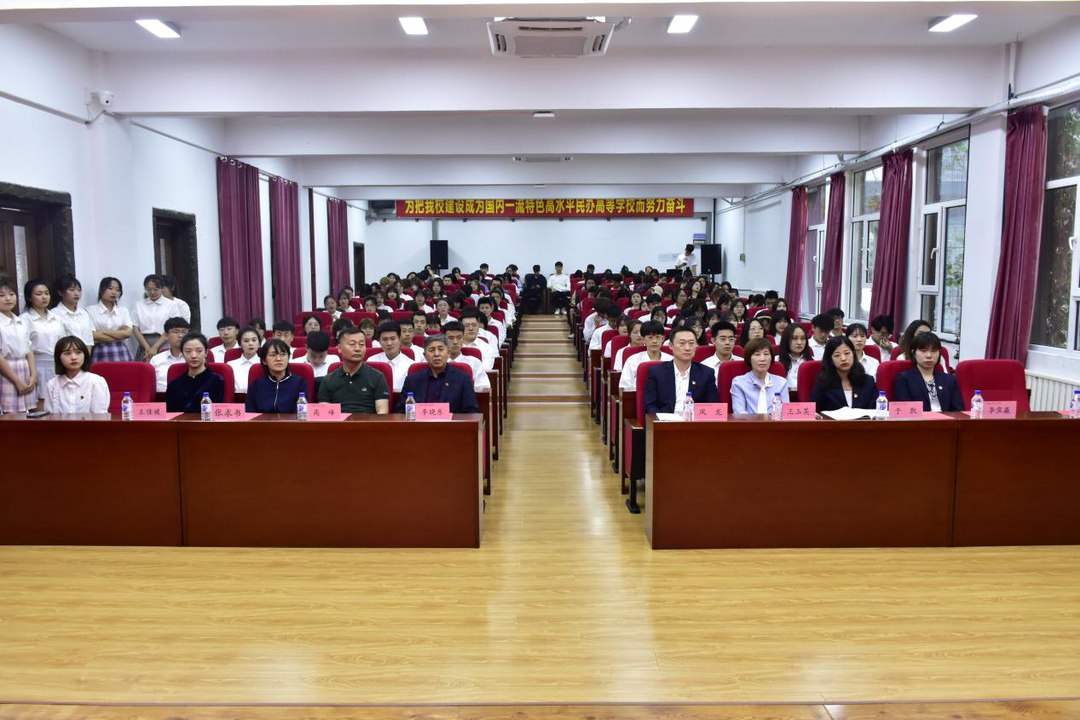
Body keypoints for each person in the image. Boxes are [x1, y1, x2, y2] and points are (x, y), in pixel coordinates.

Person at [395, 333, 480, 414]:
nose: (436, 354)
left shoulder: (462, 379)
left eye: (441, 349)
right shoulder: (412, 380)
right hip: (420, 424)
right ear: (425, 356)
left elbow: (472, 411)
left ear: (448, 353)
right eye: (431, 350)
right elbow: (401, 412)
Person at [642, 326, 718, 415]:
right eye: (682, 343)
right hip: (665, 421)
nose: (687, 348)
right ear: (671, 346)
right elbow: (649, 406)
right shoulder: (656, 372)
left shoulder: (706, 373)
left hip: (695, 421)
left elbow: (713, 406)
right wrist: (664, 420)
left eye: (691, 343)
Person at [318, 327, 389, 414]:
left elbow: (382, 412)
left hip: (368, 422)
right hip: (338, 422)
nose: (357, 349)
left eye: (362, 344)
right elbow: (324, 415)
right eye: (352, 344)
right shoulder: (328, 380)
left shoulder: (377, 377)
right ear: (339, 348)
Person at [893, 332, 964, 412]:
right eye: (923, 351)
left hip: (946, 419)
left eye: (934, 351)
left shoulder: (950, 380)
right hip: (918, 419)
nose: (929, 356)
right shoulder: (904, 379)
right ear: (913, 353)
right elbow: (904, 411)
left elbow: (958, 411)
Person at [22, 279, 63, 408]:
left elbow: (62, 341)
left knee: (59, 400)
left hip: (57, 363)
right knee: (42, 402)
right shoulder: (24, 319)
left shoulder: (56, 318)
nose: (44, 297)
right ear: (29, 297)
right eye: (39, 294)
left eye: (46, 293)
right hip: (37, 365)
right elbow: (25, 347)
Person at [809, 336, 878, 412]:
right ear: (830, 359)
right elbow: (812, 411)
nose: (843, 358)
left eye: (847, 353)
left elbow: (876, 411)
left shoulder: (868, 381)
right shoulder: (823, 383)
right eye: (837, 355)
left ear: (853, 354)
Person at [43, 335, 110, 414]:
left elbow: (100, 416)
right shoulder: (52, 385)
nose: (74, 357)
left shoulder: (96, 382)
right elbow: (49, 417)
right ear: (58, 357)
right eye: (67, 353)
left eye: (78, 352)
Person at [0, 277, 37, 412]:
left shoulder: (20, 321)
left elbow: (29, 349)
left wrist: (33, 374)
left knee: (27, 413)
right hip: (6, 371)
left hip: (24, 368)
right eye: (2, 295)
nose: (8, 298)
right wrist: (16, 380)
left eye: (12, 294)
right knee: (9, 413)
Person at [165, 332, 225, 413]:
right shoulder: (174, 385)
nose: (193, 356)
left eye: (199, 351)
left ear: (206, 353)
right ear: (182, 354)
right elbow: (169, 414)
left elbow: (218, 413)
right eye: (188, 351)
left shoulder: (216, 381)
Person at [730, 337, 790, 414]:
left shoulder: (781, 382)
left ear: (771, 358)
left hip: (775, 421)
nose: (762, 359)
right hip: (747, 421)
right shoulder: (739, 383)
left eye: (766, 354)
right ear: (749, 358)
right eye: (757, 354)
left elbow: (785, 412)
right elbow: (739, 412)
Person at [245, 339, 306, 414]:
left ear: (288, 358)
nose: (278, 359)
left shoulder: (299, 383)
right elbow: (249, 414)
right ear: (264, 361)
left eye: (283, 354)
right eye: (273, 355)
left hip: (291, 421)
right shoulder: (255, 385)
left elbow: (301, 413)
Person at [132, 274, 180, 361]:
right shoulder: (138, 305)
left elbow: (172, 328)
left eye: (156, 289)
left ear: (162, 288)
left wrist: (155, 347)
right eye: (148, 289)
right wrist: (147, 348)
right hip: (144, 343)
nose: (152, 292)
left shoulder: (171, 305)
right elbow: (135, 329)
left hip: (164, 342)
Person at [87, 277, 133, 362]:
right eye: (110, 288)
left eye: (117, 290)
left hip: (121, 351)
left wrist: (102, 332)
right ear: (101, 289)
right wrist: (119, 335)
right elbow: (92, 335)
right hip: (99, 351)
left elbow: (127, 333)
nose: (114, 292)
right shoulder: (90, 310)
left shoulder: (123, 311)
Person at [369, 321, 423, 392]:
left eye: (393, 339)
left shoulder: (410, 365)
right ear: (379, 341)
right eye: (385, 339)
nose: (389, 343)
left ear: (399, 339)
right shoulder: (372, 362)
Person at [50, 275, 95, 360]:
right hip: (65, 358)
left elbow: (89, 339)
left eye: (79, 290)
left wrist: (85, 359)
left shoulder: (84, 313)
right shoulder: (54, 314)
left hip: (83, 358)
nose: (76, 293)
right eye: (71, 290)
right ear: (60, 292)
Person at [619, 321, 670, 389]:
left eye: (657, 337)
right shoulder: (632, 360)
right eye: (650, 337)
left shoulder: (671, 360)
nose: (654, 341)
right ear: (643, 340)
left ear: (663, 339)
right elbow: (624, 388)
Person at [442, 321, 490, 392]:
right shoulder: (436, 362)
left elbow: (483, 387)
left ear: (463, 338)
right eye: (450, 338)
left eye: (459, 338)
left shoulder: (474, 362)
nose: (455, 342)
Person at [150, 317, 191, 392]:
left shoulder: (193, 358)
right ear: (166, 335)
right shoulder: (156, 360)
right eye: (176, 332)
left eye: (184, 332)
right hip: (161, 396)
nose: (180, 335)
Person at [778, 323, 814, 395]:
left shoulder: (813, 362)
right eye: (794, 338)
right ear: (786, 340)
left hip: (808, 400)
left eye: (803, 338)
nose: (799, 342)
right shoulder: (776, 362)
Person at [227, 326, 263, 393]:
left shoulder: (265, 364)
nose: (250, 343)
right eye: (246, 341)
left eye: (254, 340)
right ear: (240, 344)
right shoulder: (230, 365)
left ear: (259, 343)